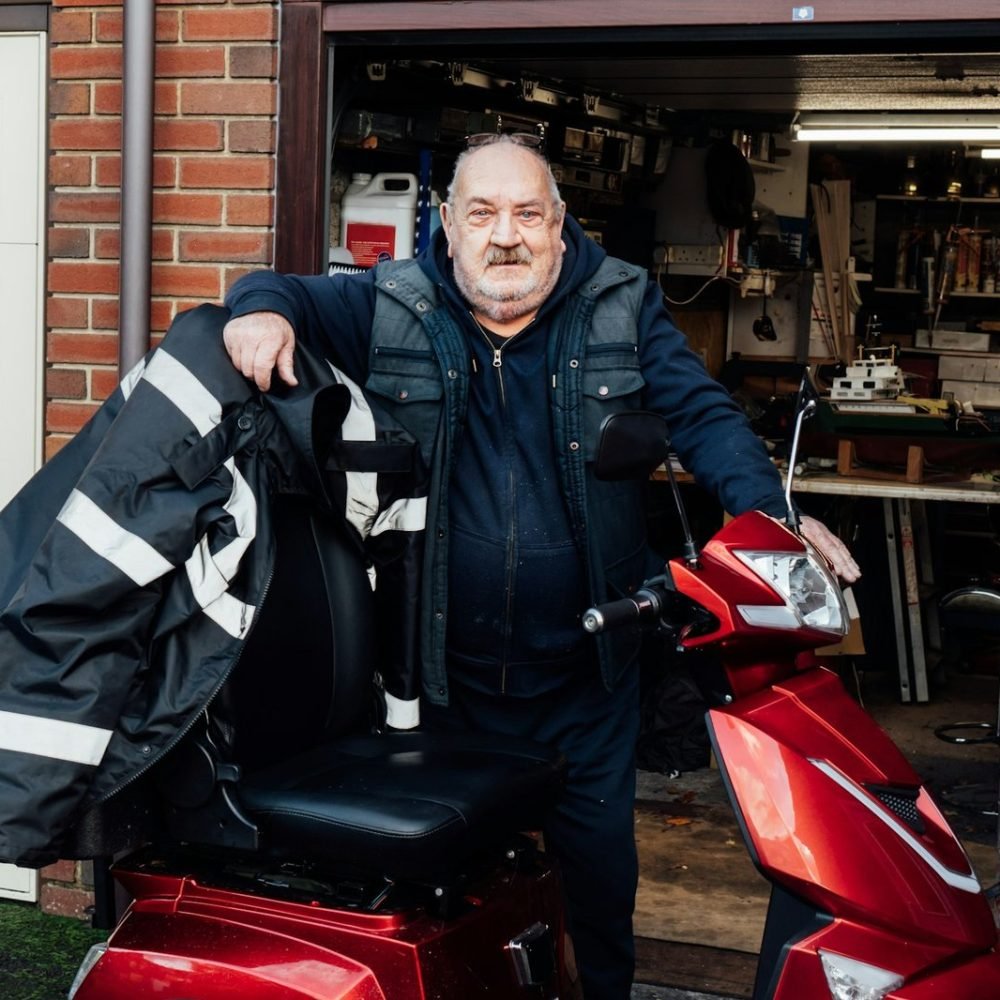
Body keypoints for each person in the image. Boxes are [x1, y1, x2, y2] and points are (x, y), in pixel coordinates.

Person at [221, 134, 860, 999]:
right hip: (444, 686)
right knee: (457, 910)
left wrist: (774, 519)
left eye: (528, 213)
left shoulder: (620, 303)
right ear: (447, 227)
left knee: (597, 902)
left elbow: (703, 417)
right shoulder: (392, 302)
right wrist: (260, 313)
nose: (506, 235)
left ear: (561, 226)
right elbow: (277, 289)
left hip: (584, 687)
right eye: (482, 213)